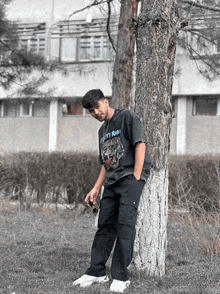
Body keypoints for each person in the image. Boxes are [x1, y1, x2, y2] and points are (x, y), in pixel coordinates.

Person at [73, 89, 151, 293]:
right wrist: (96, 188)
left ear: (106, 102)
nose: (96, 113)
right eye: (91, 111)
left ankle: (121, 276)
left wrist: (136, 176)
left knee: (125, 225)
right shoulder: (102, 131)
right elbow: (105, 163)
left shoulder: (126, 116)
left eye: (97, 107)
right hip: (112, 181)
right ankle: (97, 271)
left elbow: (140, 143)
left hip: (130, 179)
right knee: (105, 225)